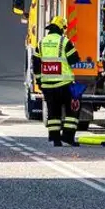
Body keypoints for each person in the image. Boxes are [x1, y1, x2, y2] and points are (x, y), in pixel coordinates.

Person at [37, 15, 80, 146]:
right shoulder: (65, 42)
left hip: (48, 86)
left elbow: (35, 64)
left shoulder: (41, 42)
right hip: (64, 84)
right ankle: (68, 136)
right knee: (73, 109)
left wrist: (40, 82)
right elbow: (74, 60)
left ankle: (55, 139)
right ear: (62, 28)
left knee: (53, 112)